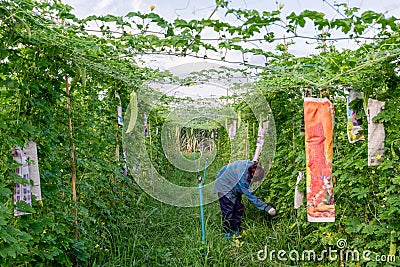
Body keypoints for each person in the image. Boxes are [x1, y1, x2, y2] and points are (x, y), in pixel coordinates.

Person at [214, 160, 276, 238]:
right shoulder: (243, 176)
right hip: (224, 183)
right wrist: (266, 207)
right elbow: (249, 195)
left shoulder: (254, 167)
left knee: (237, 209)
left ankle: (236, 231)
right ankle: (227, 233)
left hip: (234, 183)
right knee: (228, 211)